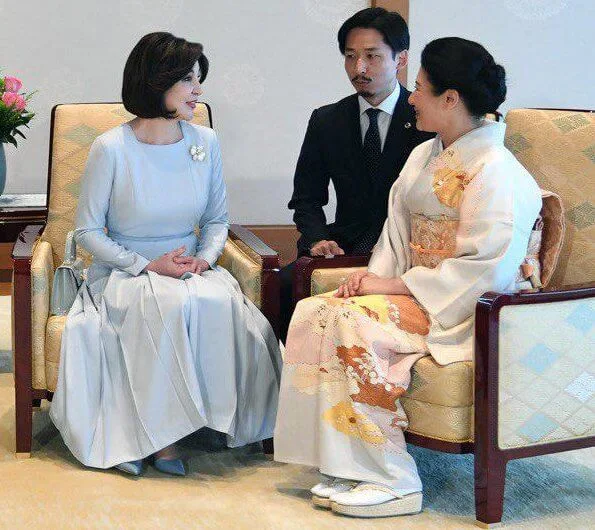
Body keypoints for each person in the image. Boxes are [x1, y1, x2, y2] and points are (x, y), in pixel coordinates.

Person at [274, 37, 542, 517]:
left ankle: (394, 478)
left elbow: (487, 268)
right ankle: (347, 462)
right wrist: (370, 280)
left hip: (470, 309)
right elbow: (395, 239)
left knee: (355, 323)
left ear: (451, 99)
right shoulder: (425, 155)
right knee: (316, 309)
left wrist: (391, 287)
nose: (411, 97)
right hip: (420, 293)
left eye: (419, 89)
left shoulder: (499, 171)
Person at [50, 32, 282, 477]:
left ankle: (200, 423)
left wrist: (205, 260)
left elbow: (216, 221)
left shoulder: (205, 142)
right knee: (163, 305)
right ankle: (159, 439)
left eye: (199, 80)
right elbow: (87, 233)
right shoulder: (111, 148)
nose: (199, 91)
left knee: (214, 300)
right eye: (188, 81)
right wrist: (144, 264)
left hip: (188, 267)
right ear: (157, 83)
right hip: (123, 270)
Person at [279, 7, 433, 342]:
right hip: (345, 245)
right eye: (350, 57)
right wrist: (317, 239)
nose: (359, 68)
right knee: (281, 286)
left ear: (401, 59)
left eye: (372, 57)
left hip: (407, 248)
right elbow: (306, 198)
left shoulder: (426, 120)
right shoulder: (327, 120)